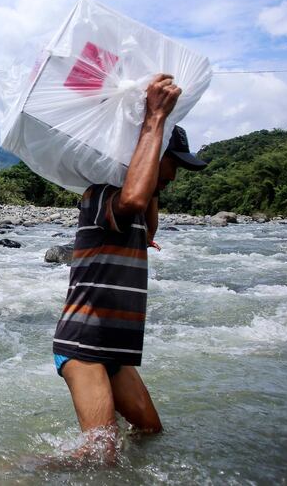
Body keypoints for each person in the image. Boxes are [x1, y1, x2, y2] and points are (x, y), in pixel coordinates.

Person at [51, 74, 208, 466]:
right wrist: (154, 120)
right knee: (100, 454)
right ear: (153, 154)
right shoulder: (101, 195)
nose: (175, 176)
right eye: (174, 165)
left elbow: (147, 221)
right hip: (85, 345)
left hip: (114, 348)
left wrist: (152, 177)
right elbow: (134, 198)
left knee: (149, 432)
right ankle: (14, 473)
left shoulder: (135, 208)